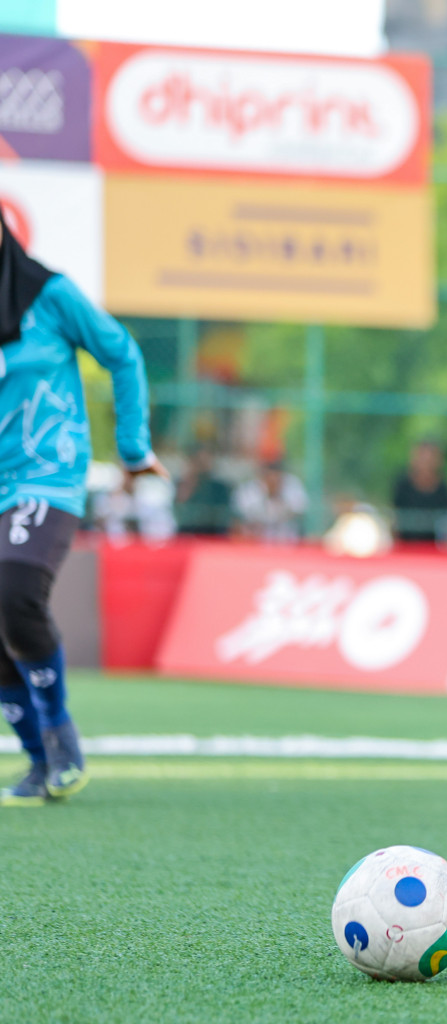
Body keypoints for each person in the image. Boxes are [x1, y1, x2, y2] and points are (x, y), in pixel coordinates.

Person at [0, 217, 165, 806]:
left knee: (14, 592)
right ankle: (39, 760)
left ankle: (60, 738)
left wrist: (132, 447)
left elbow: (122, 355)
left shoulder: (51, 295)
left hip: (47, 474)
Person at [392, 439, 447, 543]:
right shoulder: (402, 485)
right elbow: (396, 516)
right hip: (406, 545)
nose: (426, 462)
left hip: (435, 547)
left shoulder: (444, 488)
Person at [231, 460, 307, 543]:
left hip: (288, 541)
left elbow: (299, 511)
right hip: (256, 542)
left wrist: (277, 496)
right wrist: (267, 496)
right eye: (268, 475)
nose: (272, 479)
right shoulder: (248, 490)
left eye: (276, 475)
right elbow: (244, 515)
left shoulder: (293, 485)